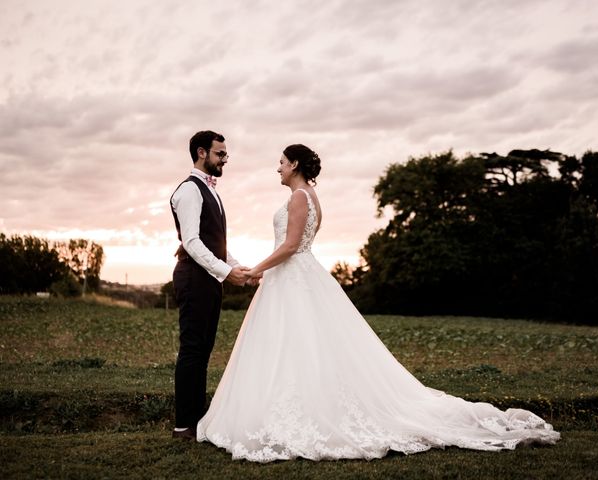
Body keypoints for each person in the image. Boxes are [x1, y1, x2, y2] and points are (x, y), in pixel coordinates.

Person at [196, 144, 560, 461]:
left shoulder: (298, 197)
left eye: (281, 162)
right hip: (297, 279)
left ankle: (303, 414)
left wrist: (256, 269)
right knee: (300, 347)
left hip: (292, 278)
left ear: (294, 165)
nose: (277, 168)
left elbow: (291, 246)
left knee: (297, 346)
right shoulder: (312, 199)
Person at [169, 130, 251, 440]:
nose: (224, 160)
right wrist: (225, 272)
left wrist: (236, 266)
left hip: (209, 276)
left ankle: (197, 419)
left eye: (226, 154)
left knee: (203, 350)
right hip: (194, 277)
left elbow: (215, 242)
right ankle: (183, 425)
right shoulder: (190, 191)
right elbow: (191, 242)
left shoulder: (211, 190)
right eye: (220, 154)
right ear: (202, 153)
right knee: (192, 349)